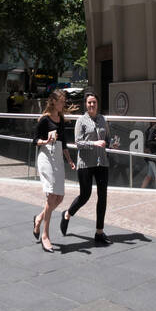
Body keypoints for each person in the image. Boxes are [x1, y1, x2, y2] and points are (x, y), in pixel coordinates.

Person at [61, 91, 111, 244]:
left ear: (97, 104)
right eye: (89, 102)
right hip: (85, 164)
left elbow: (107, 138)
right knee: (85, 195)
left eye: (94, 102)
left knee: (102, 197)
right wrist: (94, 143)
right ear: (85, 104)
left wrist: (111, 144)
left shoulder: (103, 119)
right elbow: (78, 142)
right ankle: (67, 214)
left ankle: (99, 232)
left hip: (101, 162)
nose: (91, 105)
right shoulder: (81, 121)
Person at [32, 89, 75, 252]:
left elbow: (63, 142)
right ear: (54, 102)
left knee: (60, 197)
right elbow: (34, 141)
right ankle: (45, 235)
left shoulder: (61, 118)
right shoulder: (44, 119)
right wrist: (46, 140)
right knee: (51, 197)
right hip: (46, 158)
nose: (64, 104)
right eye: (62, 101)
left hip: (57, 158)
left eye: (64, 101)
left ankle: (38, 218)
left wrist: (69, 160)